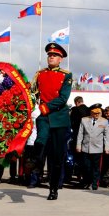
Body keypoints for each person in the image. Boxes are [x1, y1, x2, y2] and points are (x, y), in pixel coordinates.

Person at [31, 43, 73, 200]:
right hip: (44, 116)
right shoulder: (39, 74)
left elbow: (63, 98)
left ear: (60, 59)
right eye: (49, 55)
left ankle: (53, 188)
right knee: (41, 139)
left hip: (59, 118)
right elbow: (33, 93)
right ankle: (34, 160)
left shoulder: (66, 75)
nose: (51, 57)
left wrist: (47, 107)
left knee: (57, 158)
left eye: (54, 55)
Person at [76, 103, 109, 190]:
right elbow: (80, 134)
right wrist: (78, 145)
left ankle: (95, 184)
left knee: (96, 168)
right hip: (86, 147)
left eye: (98, 113)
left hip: (97, 149)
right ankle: (87, 181)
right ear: (91, 112)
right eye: (94, 113)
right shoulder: (84, 120)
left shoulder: (104, 121)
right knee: (86, 167)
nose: (96, 115)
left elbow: (107, 136)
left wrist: (107, 148)